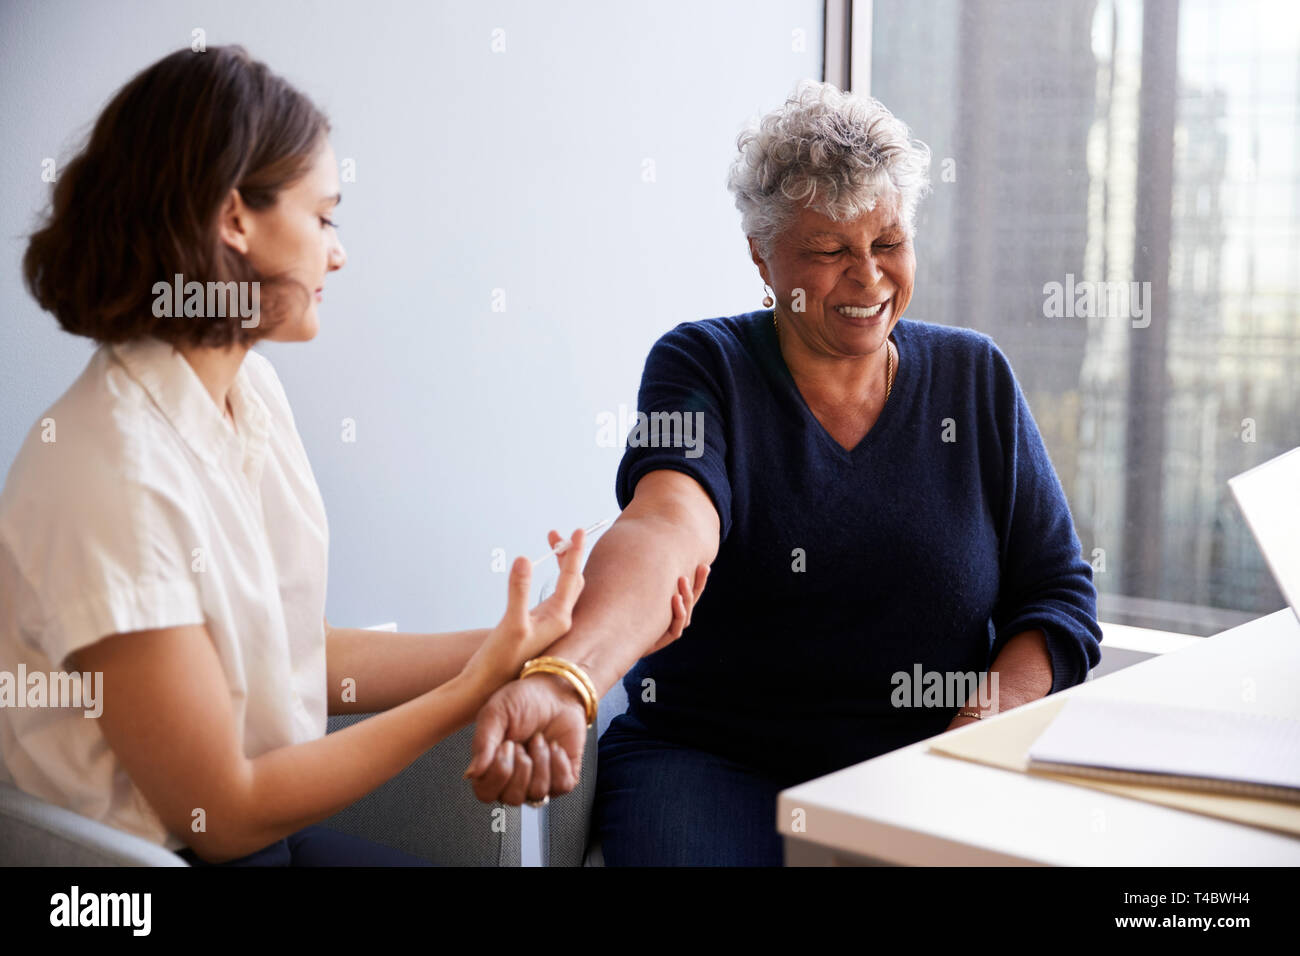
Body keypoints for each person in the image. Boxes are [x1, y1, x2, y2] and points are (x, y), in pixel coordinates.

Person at [0, 45, 704, 866]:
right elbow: (221, 813)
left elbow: (299, 654)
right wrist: (468, 693)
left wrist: (528, 644)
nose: (338, 253)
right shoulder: (108, 476)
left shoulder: (246, 393)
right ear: (234, 220)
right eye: (325, 216)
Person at [463, 80, 1104, 866]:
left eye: (889, 243)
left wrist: (964, 745)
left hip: (920, 755)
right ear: (762, 257)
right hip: (712, 760)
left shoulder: (975, 378)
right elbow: (668, 524)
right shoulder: (703, 363)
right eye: (830, 252)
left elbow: (1058, 598)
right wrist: (572, 677)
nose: (868, 278)